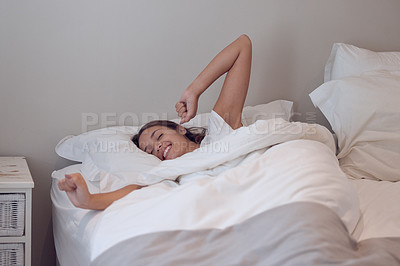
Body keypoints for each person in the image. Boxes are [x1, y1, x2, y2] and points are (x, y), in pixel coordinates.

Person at [58, 34, 252, 210]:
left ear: (180, 129)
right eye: (150, 151)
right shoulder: (168, 173)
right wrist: (88, 200)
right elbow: (135, 189)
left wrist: (193, 91)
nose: (157, 147)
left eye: (158, 136)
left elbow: (242, 45)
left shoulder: (220, 133)